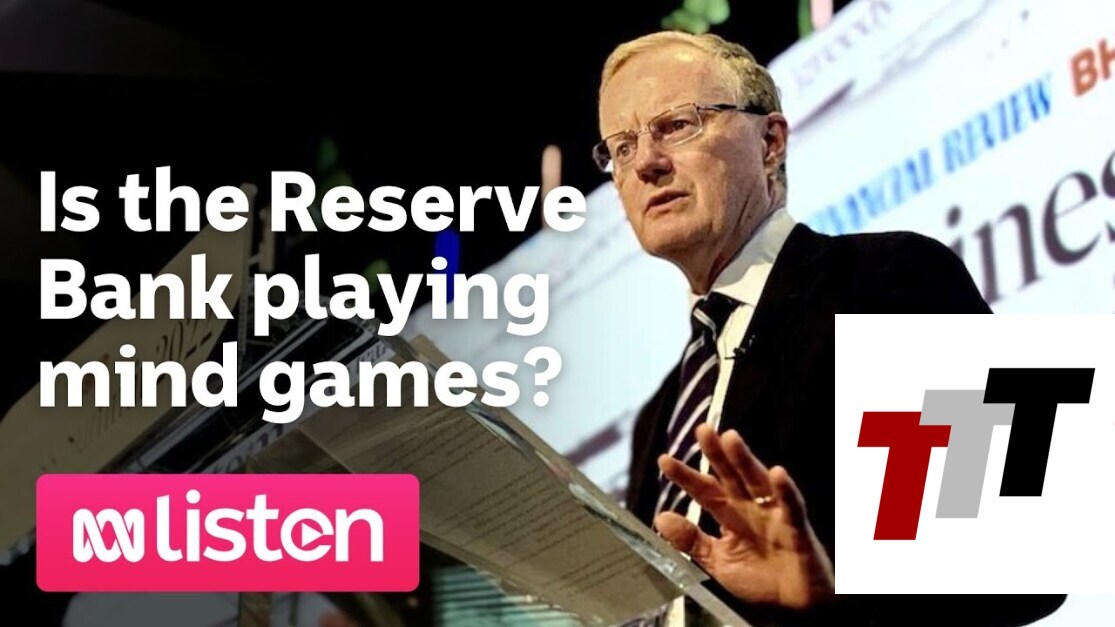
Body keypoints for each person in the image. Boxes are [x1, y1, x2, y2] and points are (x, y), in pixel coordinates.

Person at [595, 31, 1067, 627]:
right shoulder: (658, 416)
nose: (645, 162)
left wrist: (832, 601)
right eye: (622, 147)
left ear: (770, 141)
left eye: (677, 125)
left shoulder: (890, 279)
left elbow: (1020, 563)